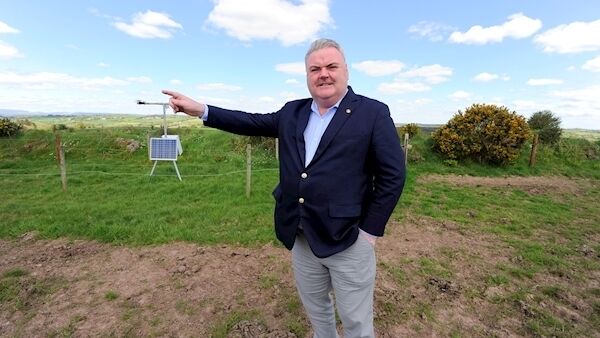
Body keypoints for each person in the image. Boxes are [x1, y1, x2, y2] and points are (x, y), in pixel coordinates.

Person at [163, 38, 405, 338]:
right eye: (315, 69)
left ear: (347, 71)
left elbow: (393, 175)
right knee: (317, 311)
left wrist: (369, 232)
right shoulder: (293, 112)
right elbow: (250, 122)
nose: (323, 74)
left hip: (348, 238)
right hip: (301, 235)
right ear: (307, 76)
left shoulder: (373, 113)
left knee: (356, 323)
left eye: (331, 66)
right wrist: (201, 110)